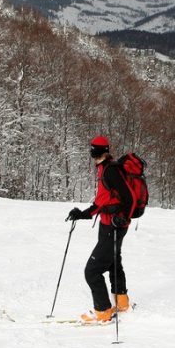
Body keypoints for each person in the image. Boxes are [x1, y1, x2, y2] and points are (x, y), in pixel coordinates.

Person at [66, 135, 134, 324]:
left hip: (114, 226)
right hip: (110, 224)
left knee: (92, 271)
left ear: (99, 151)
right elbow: (102, 202)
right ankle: (122, 302)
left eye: (93, 148)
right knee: (113, 261)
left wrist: (122, 217)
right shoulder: (105, 168)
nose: (91, 151)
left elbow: (129, 198)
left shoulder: (110, 171)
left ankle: (103, 311)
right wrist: (82, 214)